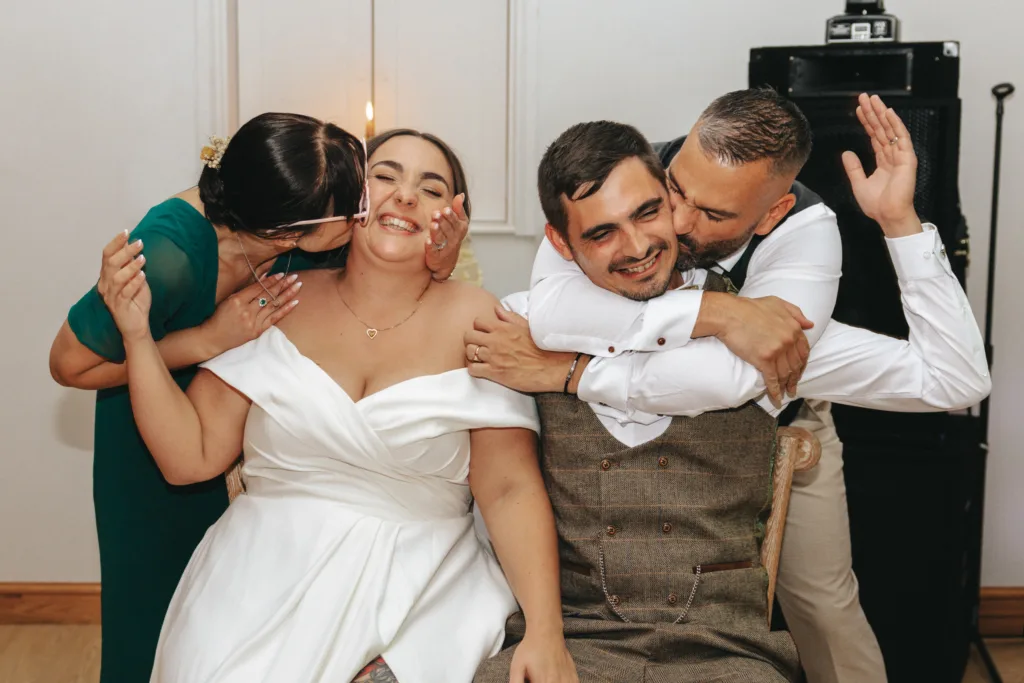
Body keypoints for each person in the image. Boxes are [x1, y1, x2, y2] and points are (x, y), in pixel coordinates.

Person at [468, 103, 989, 682]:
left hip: (776, 409)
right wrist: (716, 311)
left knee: (824, 606)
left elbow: (735, 379)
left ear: (770, 215)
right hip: (591, 621)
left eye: (711, 213)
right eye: (673, 194)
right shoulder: (617, 184)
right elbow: (553, 311)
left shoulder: (803, 246)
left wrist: (899, 223)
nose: (680, 223)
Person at [99, 128, 578, 683]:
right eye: (385, 176)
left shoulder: (478, 320)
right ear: (349, 199)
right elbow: (191, 457)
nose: (405, 197)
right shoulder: (279, 296)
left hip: (419, 582)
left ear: (454, 217)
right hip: (254, 579)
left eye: (430, 187)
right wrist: (137, 338)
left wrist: (547, 632)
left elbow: (509, 488)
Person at [48, 113, 470, 683]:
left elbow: (386, 261)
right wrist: (204, 340)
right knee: (150, 617)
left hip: (247, 437)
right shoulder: (170, 255)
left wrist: (439, 259)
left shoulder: (309, 222)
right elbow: (70, 366)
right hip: (145, 412)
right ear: (292, 229)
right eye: (357, 204)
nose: (363, 214)